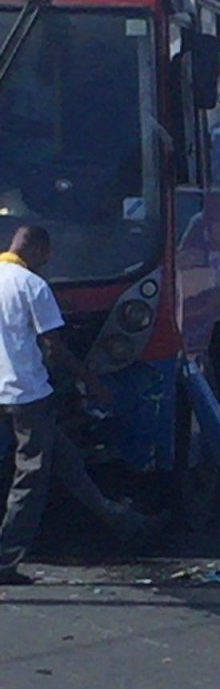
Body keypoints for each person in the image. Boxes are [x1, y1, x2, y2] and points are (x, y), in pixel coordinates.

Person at [0, 226, 166, 585]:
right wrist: (92, 384)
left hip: (8, 395)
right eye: (47, 255)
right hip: (26, 395)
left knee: (67, 460)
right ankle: (5, 561)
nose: (48, 262)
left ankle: (127, 525)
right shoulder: (32, 286)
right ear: (40, 249)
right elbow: (54, 348)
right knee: (30, 478)